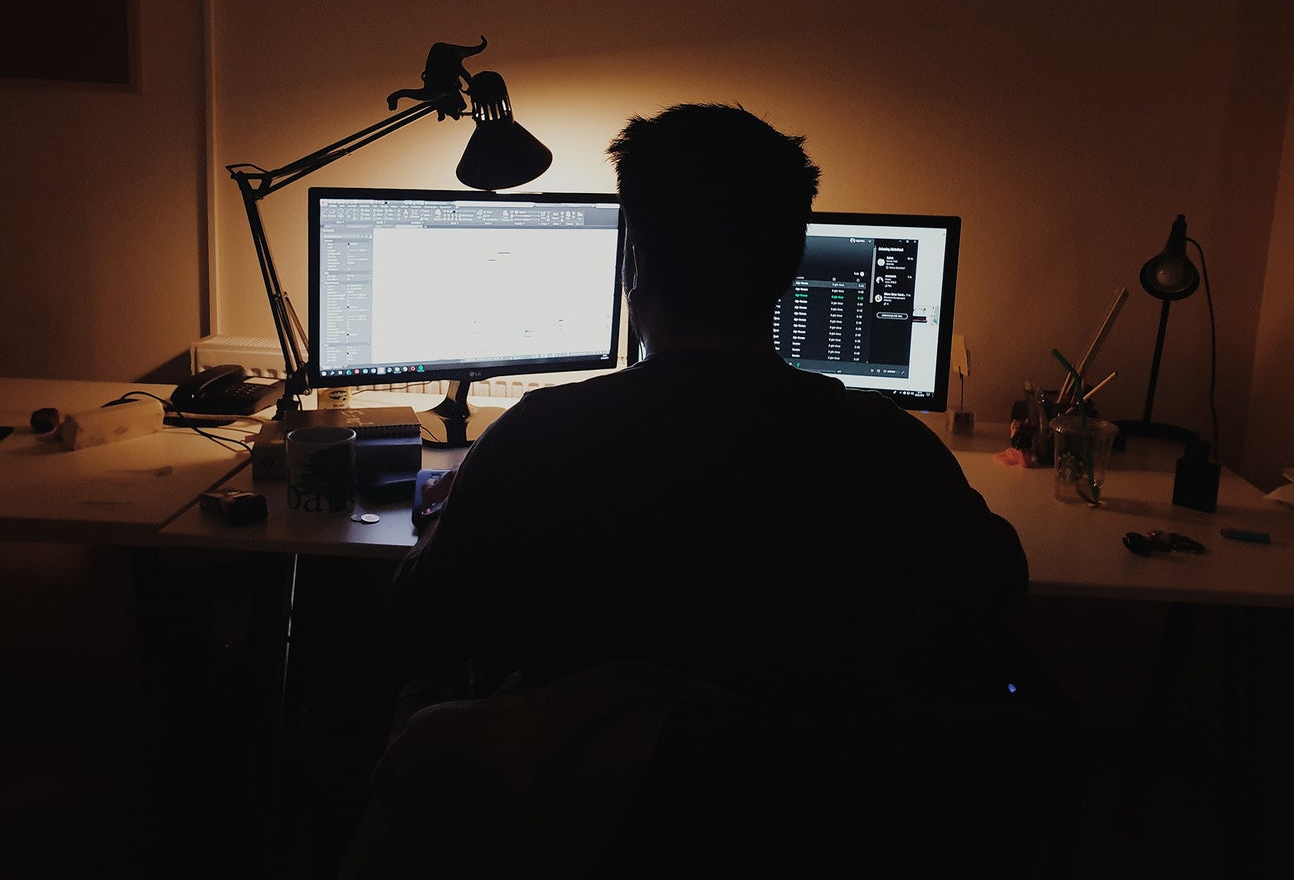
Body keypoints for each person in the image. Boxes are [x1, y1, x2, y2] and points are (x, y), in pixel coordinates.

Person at [342, 104, 1053, 878]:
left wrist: (471, 506)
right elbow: (998, 584)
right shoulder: (886, 443)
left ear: (636, 262)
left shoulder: (540, 433)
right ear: (789, 265)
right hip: (810, 817)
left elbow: (415, 616)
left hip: (580, 820)